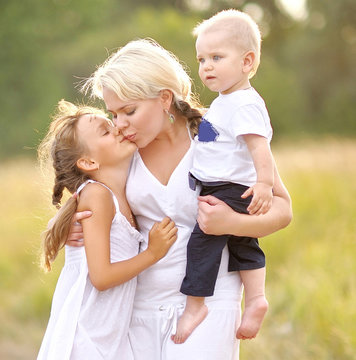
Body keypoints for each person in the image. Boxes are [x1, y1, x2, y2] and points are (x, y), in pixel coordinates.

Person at [68, 38, 292, 359]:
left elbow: (282, 209)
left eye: (129, 111)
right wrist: (68, 226)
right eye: (113, 114)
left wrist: (234, 222)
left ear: (164, 98)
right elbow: (88, 196)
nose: (120, 125)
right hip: (138, 305)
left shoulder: (216, 132)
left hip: (210, 301)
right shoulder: (124, 151)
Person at [37, 100, 178, 360]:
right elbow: (100, 278)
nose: (117, 128)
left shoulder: (120, 186)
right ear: (89, 162)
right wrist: (152, 253)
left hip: (108, 339)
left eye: (111, 123)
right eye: (105, 131)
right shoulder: (98, 196)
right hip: (86, 338)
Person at [176, 9, 273, 344]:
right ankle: (257, 298)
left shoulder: (243, 104)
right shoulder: (226, 101)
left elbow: (260, 149)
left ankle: (195, 305)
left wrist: (264, 183)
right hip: (230, 184)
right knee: (243, 243)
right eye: (202, 59)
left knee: (203, 240)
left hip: (228, 188)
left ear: (247, 62)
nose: (207, 67)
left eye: (217, 57)